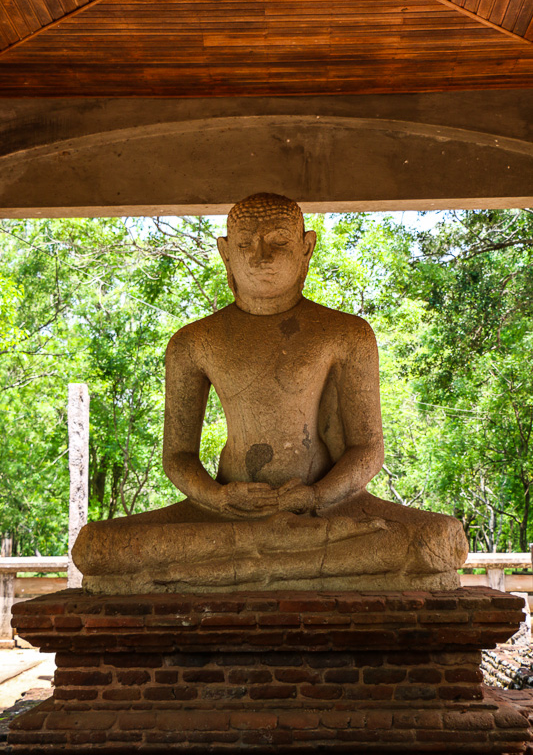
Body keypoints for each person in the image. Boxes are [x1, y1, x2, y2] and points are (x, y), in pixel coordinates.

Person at [73, 193, 468, 593]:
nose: (261, 257)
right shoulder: (193, 342)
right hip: (226, 517)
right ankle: (284, 557)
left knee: (437, 539)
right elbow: (177, 457)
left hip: (326, 510)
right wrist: (219, 499)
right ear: (225, 253)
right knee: (95, 547)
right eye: (245, 244)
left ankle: (232, 567)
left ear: (306, 247)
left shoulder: (347, 334)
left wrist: (315, 496)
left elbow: (367, 449)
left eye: (278, 241)